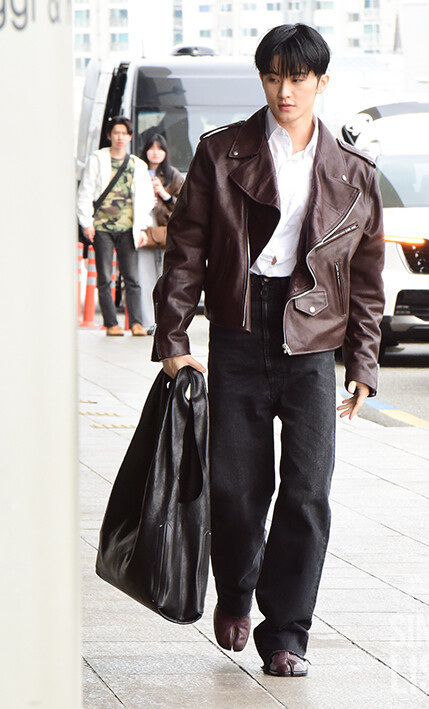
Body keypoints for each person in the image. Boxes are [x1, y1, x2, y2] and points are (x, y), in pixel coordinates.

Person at [152, 24, 385, 676]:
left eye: (298, 78)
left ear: (322, 82)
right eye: (274, 76)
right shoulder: (220, 153)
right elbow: (186, 250)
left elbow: (366, 278)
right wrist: (173, 339)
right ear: (262, 79)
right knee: (235, 488)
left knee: (307, 491)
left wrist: (363, 362)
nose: (285, 90)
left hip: (312, 339)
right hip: (238, 328)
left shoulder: (355, 172)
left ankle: (286, 633)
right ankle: (235, 591)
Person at [77, 116, 154, 336]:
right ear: (109, 135)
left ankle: (136, 323)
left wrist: (142, 227)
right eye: (116, 133)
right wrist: (87, 223)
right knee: (104, 277)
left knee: (132, 278)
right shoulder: (97, 159)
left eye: (124, 133)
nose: (120, 137)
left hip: (129, 228)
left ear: (129, 137)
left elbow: (147, 198)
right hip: (102, 227)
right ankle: (111, 324)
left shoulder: (137, 164)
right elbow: (85, 192)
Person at [138, 134, 184, 334]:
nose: (155, 153)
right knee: (145, 277)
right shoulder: (138, 172)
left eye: (160, 149)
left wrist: (164, 195)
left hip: (167, 232)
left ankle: (166, 322)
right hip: (144, 230)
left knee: (167, 279)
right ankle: (148, 322)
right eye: (152, 148)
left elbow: (185, 204)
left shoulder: (174, 175)